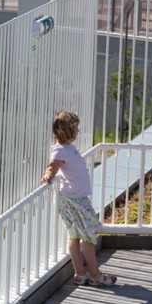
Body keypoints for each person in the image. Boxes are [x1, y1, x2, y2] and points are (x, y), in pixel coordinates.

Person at [41, 111, 117, 286]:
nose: (78, 131)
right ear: (67, 132)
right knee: (89, 236)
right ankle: (95, 275)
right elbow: (52, 166)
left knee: (74, 236)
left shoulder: (65, 147)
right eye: (75, 128)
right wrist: (48, 174)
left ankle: (80, 273)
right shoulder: (60, 150)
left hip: (72, 197)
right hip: (76, 200)